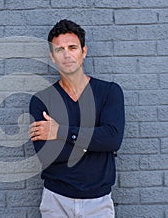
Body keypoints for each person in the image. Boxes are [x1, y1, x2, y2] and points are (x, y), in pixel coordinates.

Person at [29, 19, 125, 218]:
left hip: (98, 201)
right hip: (56, 200)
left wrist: (59, 131)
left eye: (72, 47)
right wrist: (94, 141)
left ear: (84, 51)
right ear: (52, 57)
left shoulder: (109, 92)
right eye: (59, 50)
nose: (66, 55)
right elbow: (48, 156)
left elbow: (112, 139)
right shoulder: (41, 101)